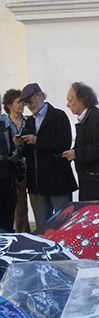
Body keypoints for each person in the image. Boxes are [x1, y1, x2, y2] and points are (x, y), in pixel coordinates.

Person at [13, 82, 77, 229]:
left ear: (40, 96)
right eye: (26, 103)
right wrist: (19, 147)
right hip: (37, 183)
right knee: (43, 228)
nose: (29, 105)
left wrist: (37, 141)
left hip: (57, 181)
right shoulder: (30, 121)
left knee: (64, 225)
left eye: (30, 101)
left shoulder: (58, 116)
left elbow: (63, 144)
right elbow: (28, 150)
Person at [2, 88, 30, 232]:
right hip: (14, 170)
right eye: (18, 102)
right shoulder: (3, 123)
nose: (22, 105)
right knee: (20, 209)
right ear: (9, 105)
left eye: (23, 102)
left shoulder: (29, 121)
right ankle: (22, 235)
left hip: (29, 167)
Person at [0, 105, 17, 232]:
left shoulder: (5, 124)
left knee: (8, 221)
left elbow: (14, 144)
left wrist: (16, 151)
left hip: (8, 179)